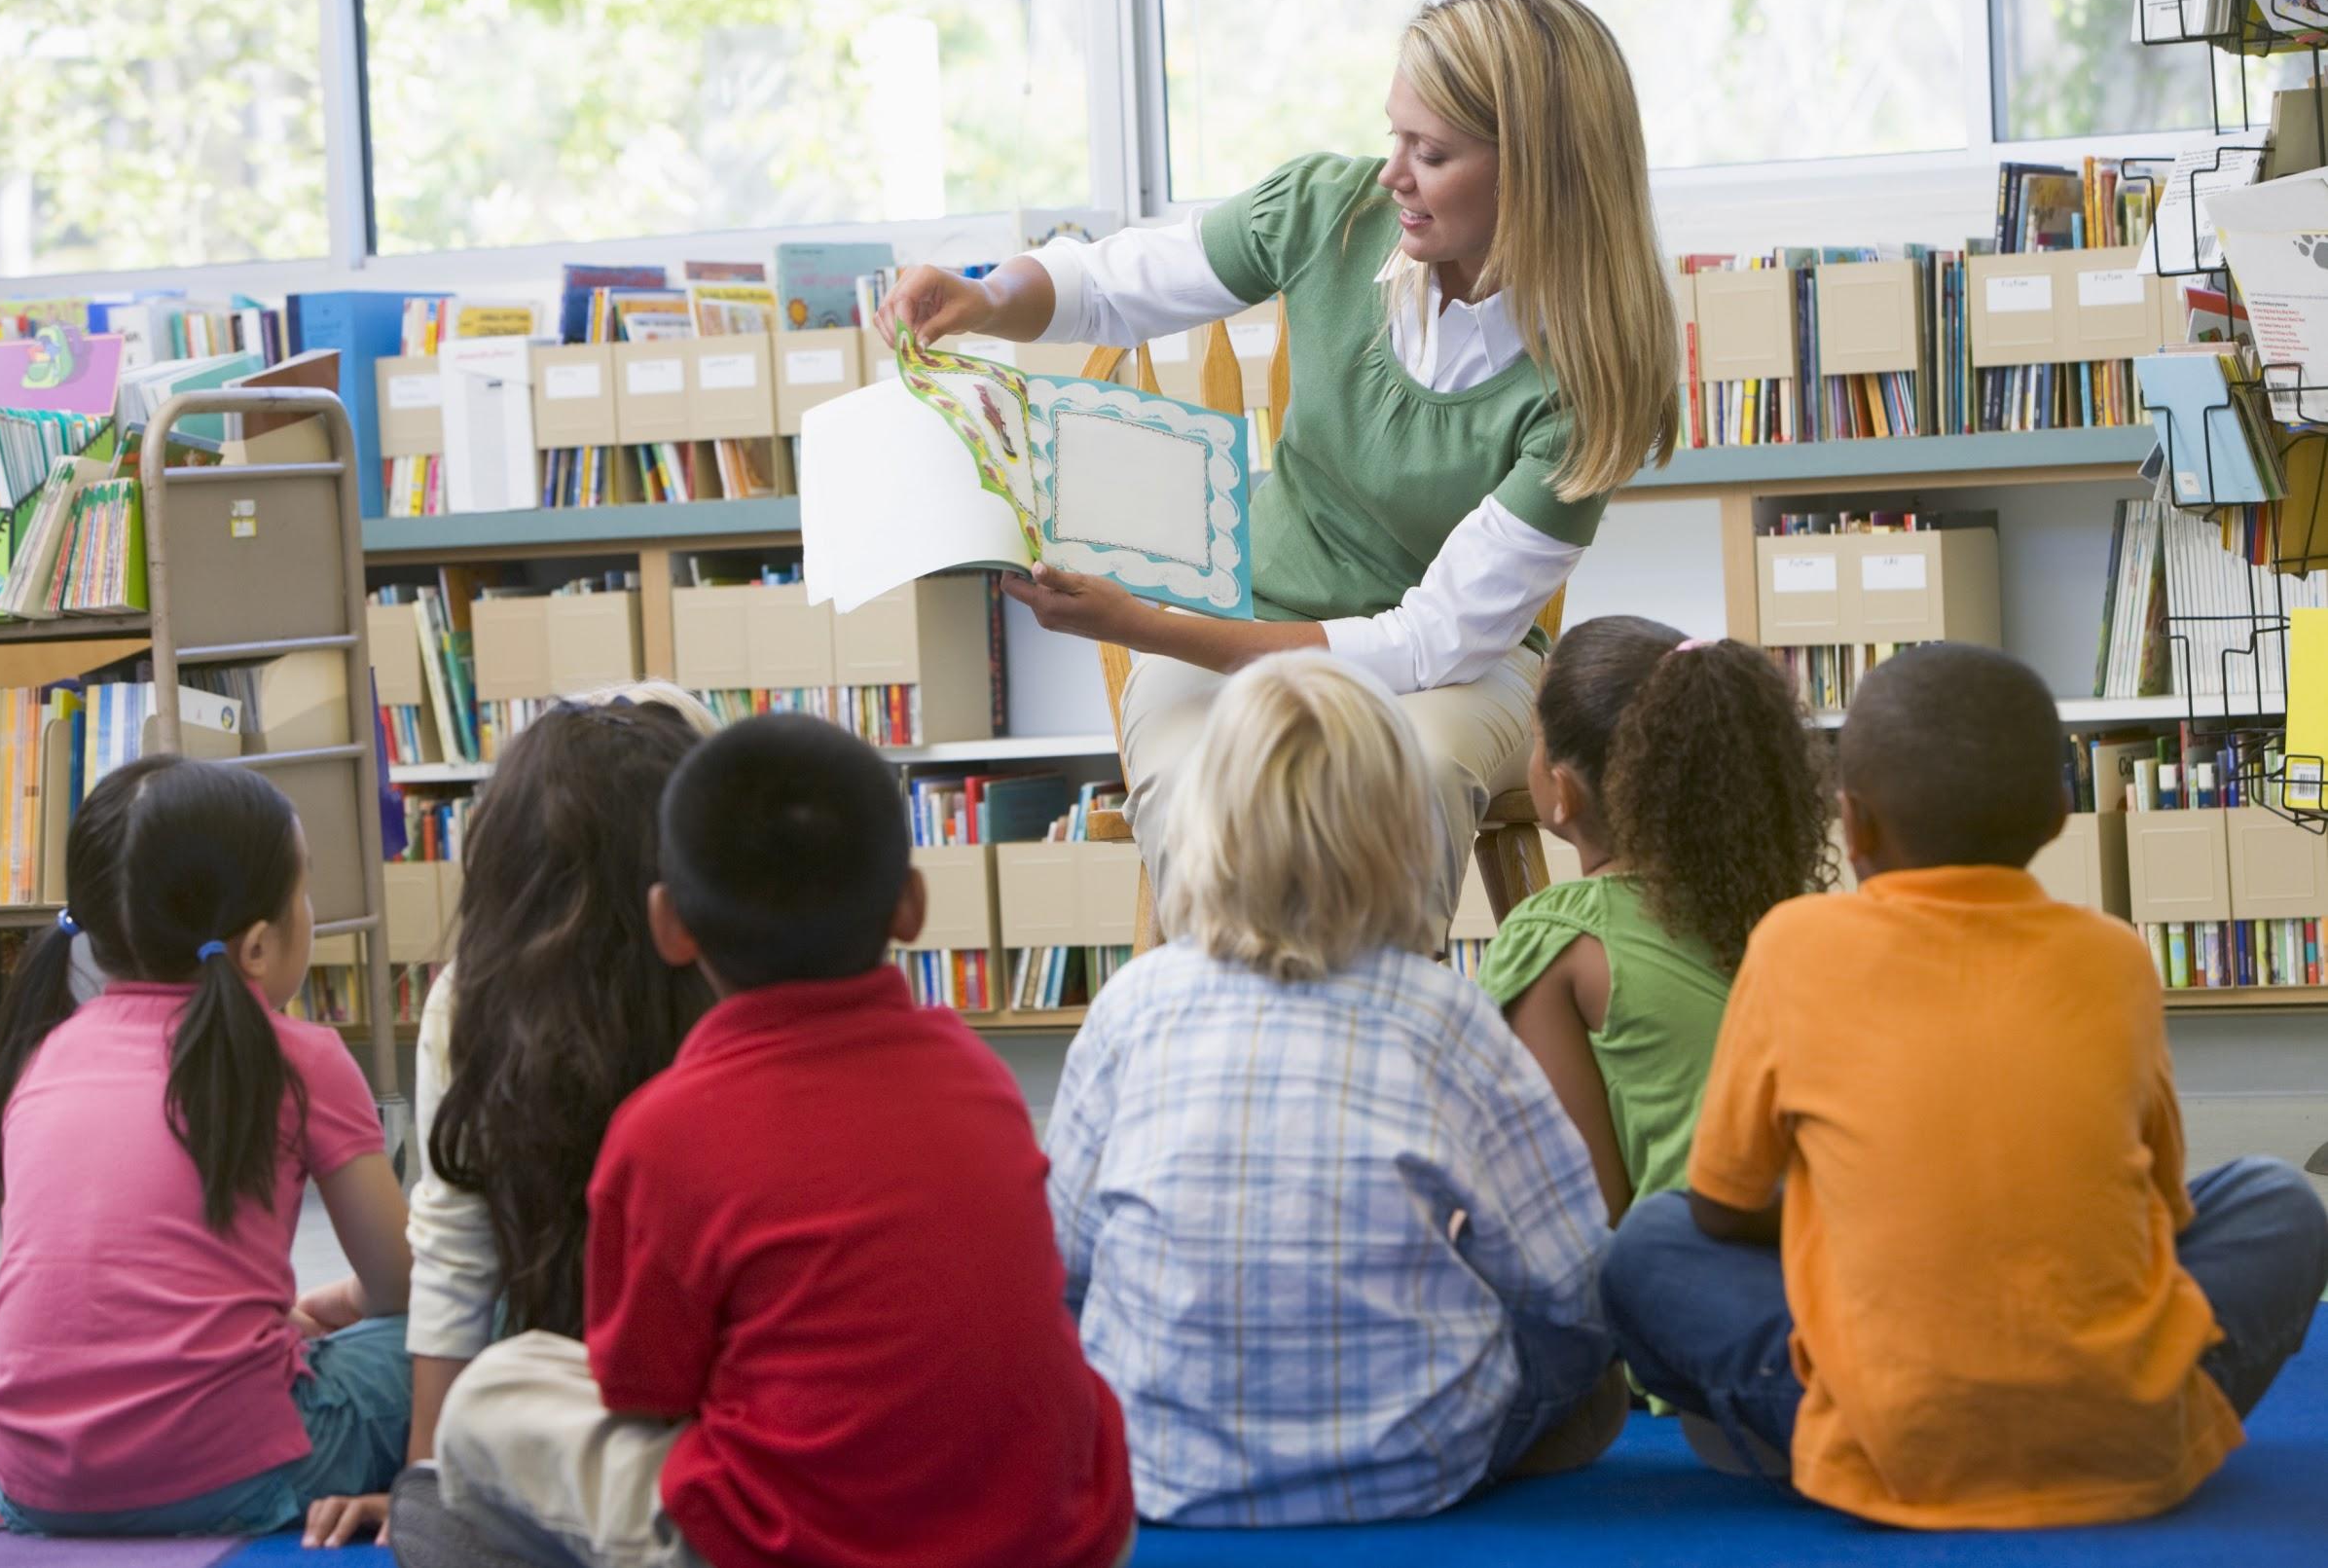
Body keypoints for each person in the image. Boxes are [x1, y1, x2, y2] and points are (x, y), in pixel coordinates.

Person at [875, 0, 1679, 936]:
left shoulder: (1583, 387)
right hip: (1244, 610)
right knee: (1194, 777)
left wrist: (1151, 629)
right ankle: (1223, 1031)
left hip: (1456, 669)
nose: (1392, 175)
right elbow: (1121, 282)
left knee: (1408, 774)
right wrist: (988, 296)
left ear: (1537, 174)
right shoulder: (1332, 215)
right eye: (1394, 137)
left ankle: (1371, 1039)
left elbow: (1429, 641)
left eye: (1430, 153)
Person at [1600, 644, 2328, 1528]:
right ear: (2062, 815)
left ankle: (1797, 1438)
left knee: (1649, 1242)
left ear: (1852, 823)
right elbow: (2165, 1212)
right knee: (2278, 1199)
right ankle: (2153, 1416)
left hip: (1890, 1439)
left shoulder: (1793, 944)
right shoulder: (2116, 957)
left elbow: (1718, 1209)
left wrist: (1852, 1214)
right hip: (2120, 1434)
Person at [416, 715, 1133, 1568]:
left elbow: (648, 1393)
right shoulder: (981, 1078)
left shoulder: (663, 1132)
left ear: (669, 924)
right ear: (910, 906)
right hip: (1062, 1536)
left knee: (497, 1392)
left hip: (791, 1544)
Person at [1046, 651, 1619, 1527]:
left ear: (1203, 825)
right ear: (1407, 837)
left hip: (1162, 1468)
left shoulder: (1131, 1007)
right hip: (1409, 1467)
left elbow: (1067, 1268)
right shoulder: (1444, 1017)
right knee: (1589, 1386)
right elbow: (1564, 1279)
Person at [304, 684, 717, 1550]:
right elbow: (455, 1253)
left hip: (688, 1405)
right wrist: (426, 1484)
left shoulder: (480, 993)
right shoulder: (479, 999)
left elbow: (456, 1258)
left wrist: (429, 1488)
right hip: (706, 1407)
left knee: (479, 1391)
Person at [0, 755, 412, 1536]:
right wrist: (339, 1305)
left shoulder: (46, 1054)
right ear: (261, 948)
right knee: (488, 1305)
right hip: (239, 1469)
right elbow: (410, 1288)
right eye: (304, 891)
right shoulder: (302, 1056)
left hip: (33, 1482)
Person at [1476, 619, 1831, 1222]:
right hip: (1836, 1270)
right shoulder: (1803, 918)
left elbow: (1584, 1219)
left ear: (1562, 790)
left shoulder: (1556, 941)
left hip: (1700, 1284)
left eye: (1533, 737)